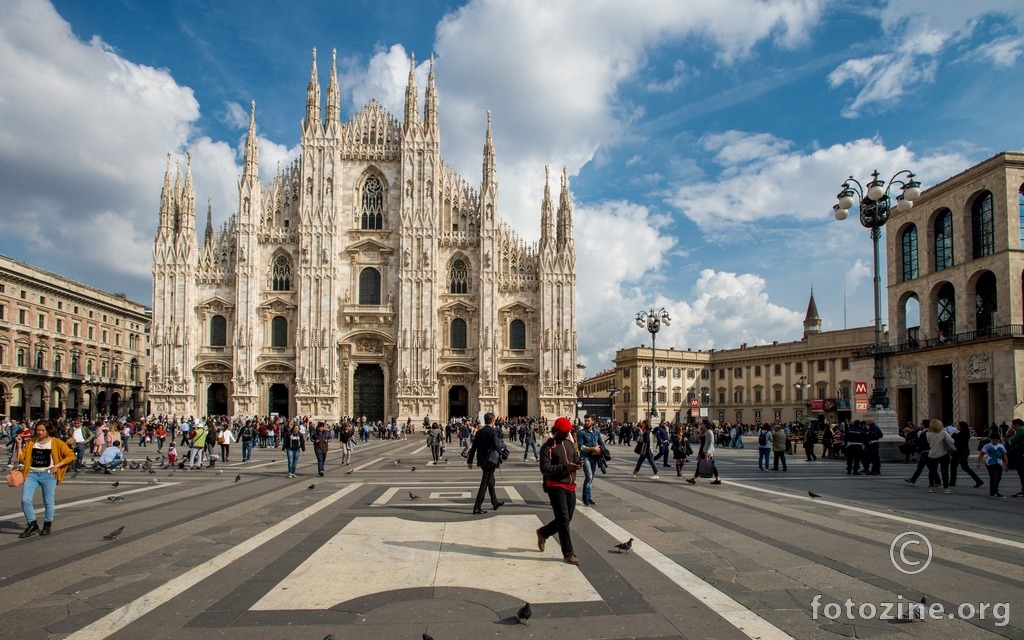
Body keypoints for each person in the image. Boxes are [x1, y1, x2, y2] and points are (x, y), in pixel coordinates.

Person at [16, 420, 76, 538]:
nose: (40, 432)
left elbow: (70, 455)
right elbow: (21, 457)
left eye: (43, 430)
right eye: (38, 430)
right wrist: (19, 444)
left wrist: (57, 466)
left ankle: (47, 524)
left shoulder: (56, 442)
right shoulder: (31, 442)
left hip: (48, 475)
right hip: (31, 474)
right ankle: (32, 524)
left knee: (48, 501)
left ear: (49, 430)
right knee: (25, 500)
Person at [537, 416, 582, 565]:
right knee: (563, 520)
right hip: (555, 486)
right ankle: (568, 553)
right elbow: (545, 468)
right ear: (556, 431)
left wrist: (577, 463)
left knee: (567, 518)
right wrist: (565, 467)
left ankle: (544, 532)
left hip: (570, 485)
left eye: (568, 431)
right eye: (564, 431)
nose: (567, 433)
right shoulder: (548, 447)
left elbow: (573, 458)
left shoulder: (569, 444)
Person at [466, 412, 506, 514]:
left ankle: (495, 502)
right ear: (492, 421)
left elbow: (474, 447)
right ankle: (477, 507)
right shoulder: (492, 431)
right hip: (490, 461)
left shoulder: (479, 432)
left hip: (482, 460)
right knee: (484, 483)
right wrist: (503, 453)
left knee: (491, 481)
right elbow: (496, 445)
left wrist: (470, 461)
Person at [577, 414, 606, 507]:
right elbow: (581, 446)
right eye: (585, 421)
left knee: (591, 478)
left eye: (588, 421)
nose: (586, 422)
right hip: (585, 456)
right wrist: (593, 449)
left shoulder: (596, 432)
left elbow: (602, 444)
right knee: (589, 476)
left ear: (592, 421)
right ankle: (585, 497)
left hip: (594, 457)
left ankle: (589, 496)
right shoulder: (581, 432)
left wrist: (599, 449)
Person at [924, 418, 955, 493]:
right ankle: (946, 488)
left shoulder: (927, 433)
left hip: (932, 454)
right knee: (944, 471)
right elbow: (952, 441)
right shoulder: (942, 432)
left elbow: (929, 442)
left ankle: (931, 487)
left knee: (932, 471)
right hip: (943, 453)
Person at [949, 421, 983, 488]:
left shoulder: (961, 434)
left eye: (958, 425)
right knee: (965, 467)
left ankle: (952, 482)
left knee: (953, 466)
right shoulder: (965, 433)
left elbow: (956, 442)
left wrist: (953, 436)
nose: (957, 427)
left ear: (961, 427)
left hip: (959, 452)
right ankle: (978, 480)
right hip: (964, 451)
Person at [977, 432, 1009, 498]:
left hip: (999, 463)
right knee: (993, 477)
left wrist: (1006, 465)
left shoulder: (1001, 446)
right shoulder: (987, 446)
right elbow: (982, 454)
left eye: (996, 441)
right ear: (990, 439)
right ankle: (993, 491)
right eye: (993, 440)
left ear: (999, 440)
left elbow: (1004, 455)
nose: (995, 442)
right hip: (990, 463)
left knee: (998, 477)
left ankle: (995, 490)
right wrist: (979, 462)